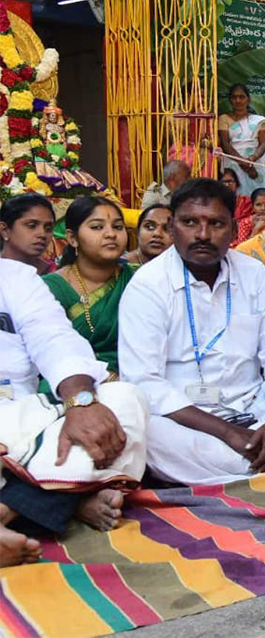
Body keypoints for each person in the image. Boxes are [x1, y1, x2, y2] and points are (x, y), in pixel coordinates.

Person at [117, 178, 265, 486]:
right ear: (172, 227)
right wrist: (228, 433)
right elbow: (145, 382)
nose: (203, 235)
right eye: (189, 222)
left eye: (216, 224)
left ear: (233, 227)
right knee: (148, 435)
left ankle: (250, 463)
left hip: (255, 408)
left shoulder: (252, 274)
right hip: (185, 419)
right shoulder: (148, 286)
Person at [0, 259, 148, 554]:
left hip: (21, 419)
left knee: (124, 400)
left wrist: (80, 402)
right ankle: (68, 498)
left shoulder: (15, 277)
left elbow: (54, 337)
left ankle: (8, 514)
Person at [43, 197, 138, 380]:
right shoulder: (50, 288)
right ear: (72, 238)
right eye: (97, 227)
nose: (111, 234)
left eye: (118, 227)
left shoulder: (140, 279)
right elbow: (48, 351)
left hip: (135, 379)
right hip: (69, 380)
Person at [218, 84, 265, 197]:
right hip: (233, 164)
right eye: (234, 97)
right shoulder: (223, 119)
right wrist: (243, 163)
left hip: (256, 164)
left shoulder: (259, 121)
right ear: (230, 100)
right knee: (235, 196)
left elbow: (263, 143)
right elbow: (225, 143)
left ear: (248, 99)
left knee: (258, 198)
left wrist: (252, 160)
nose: (238, 100)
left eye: (242, 97)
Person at [0, 192, 56, 275]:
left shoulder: (54, 277)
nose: (42, 234)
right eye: (32, 226)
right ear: (4, 230)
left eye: (48, 228)